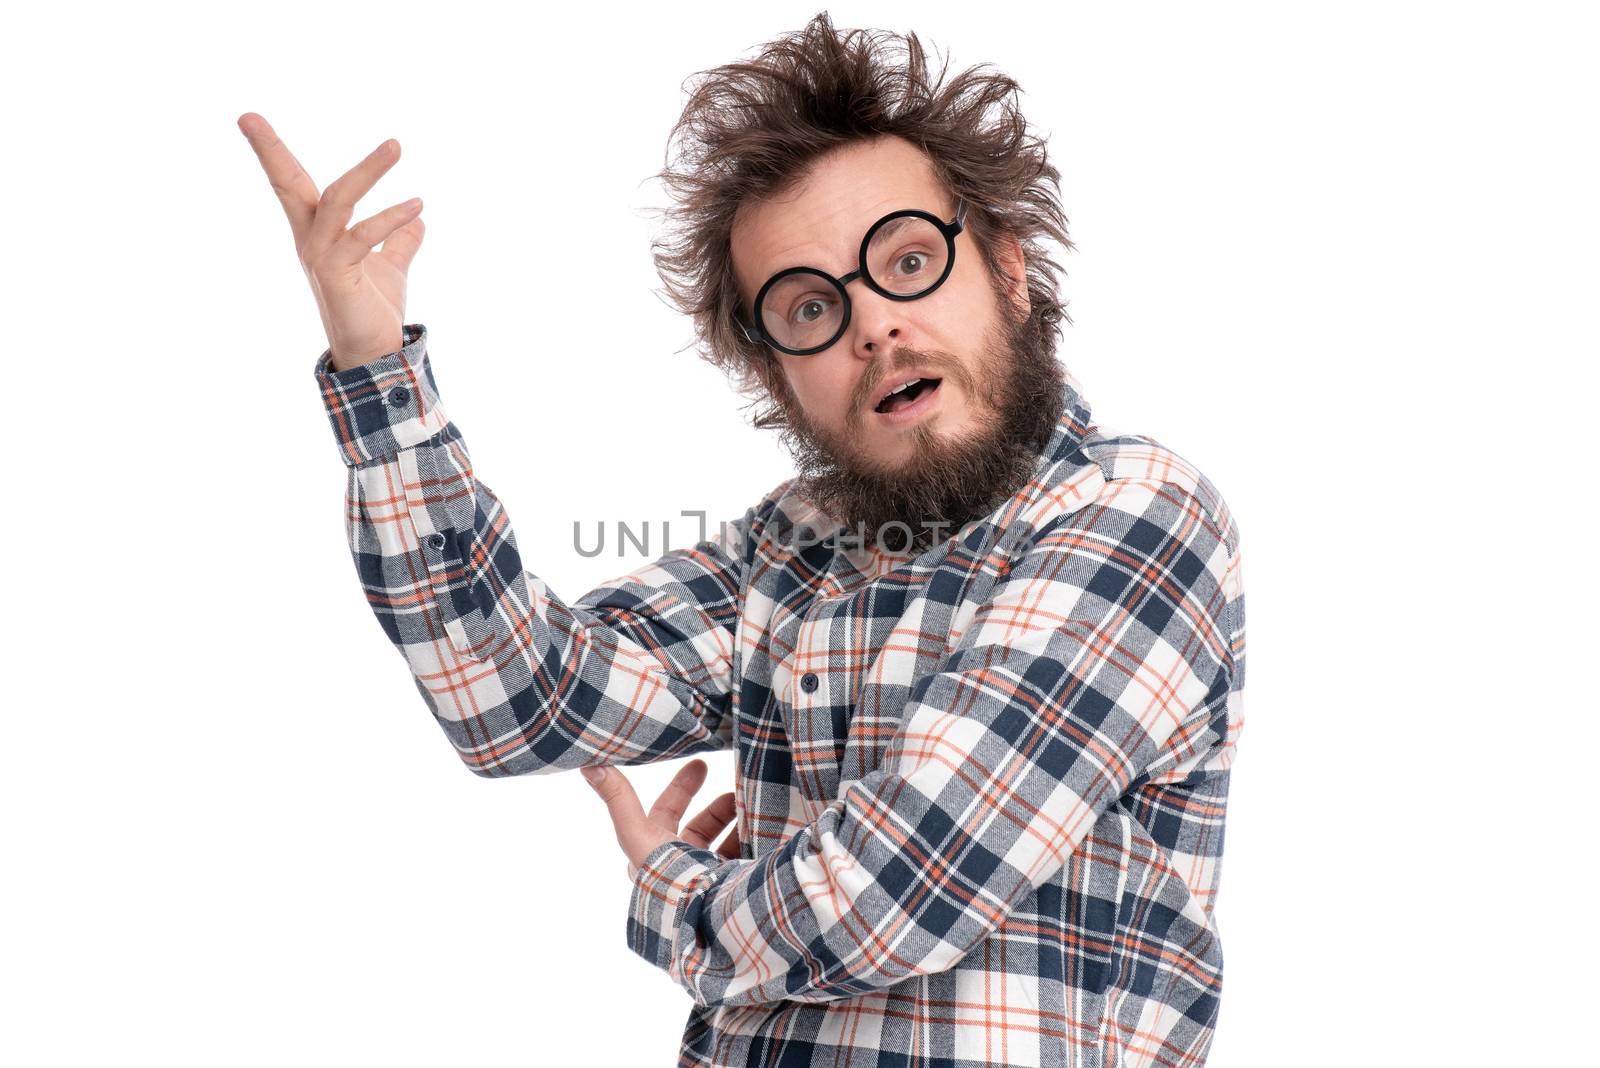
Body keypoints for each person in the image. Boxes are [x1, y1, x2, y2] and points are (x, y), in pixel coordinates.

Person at [241, 12, 1246, 1067]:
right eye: (811, 307)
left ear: (1006, 271)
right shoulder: (790, 550)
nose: (874, 326)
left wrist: (677, 899)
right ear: (778, 376)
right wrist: (375, 371)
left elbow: (898, 892)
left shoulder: (1133, 512)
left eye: (908, 259)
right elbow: (514, 701)